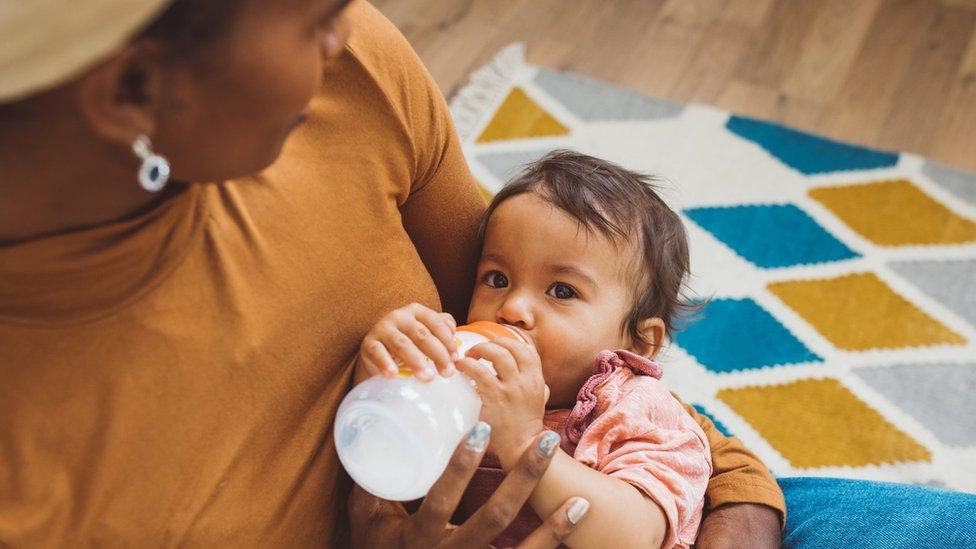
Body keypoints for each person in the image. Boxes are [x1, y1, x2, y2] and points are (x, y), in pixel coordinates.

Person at [5, 0, 969, 547]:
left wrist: (738, 496)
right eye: (313, 16)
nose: (349, 28)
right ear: (133, 88)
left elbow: (586, 356)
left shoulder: (350, 85)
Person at [356, 151, 713, 548]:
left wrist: (527, 443)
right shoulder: (463, 380)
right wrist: (389, 376)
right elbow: (387, 459)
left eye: (562, 290)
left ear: (637, 342)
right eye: (497, 278)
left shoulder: (635, 409)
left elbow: (635, 537)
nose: (512, 308)